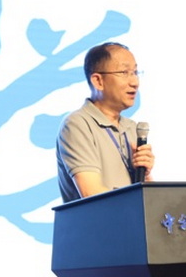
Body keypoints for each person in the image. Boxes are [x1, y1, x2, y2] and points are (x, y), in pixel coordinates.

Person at [56, 42, 155, 202]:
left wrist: (146, 175)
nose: (135, 82)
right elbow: (91, 194)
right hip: (99, 218)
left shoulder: (131, 127)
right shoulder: (77, 124)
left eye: (135, 72)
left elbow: (149, 200)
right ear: (98, 81)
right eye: (124, 72)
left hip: (131, 217)